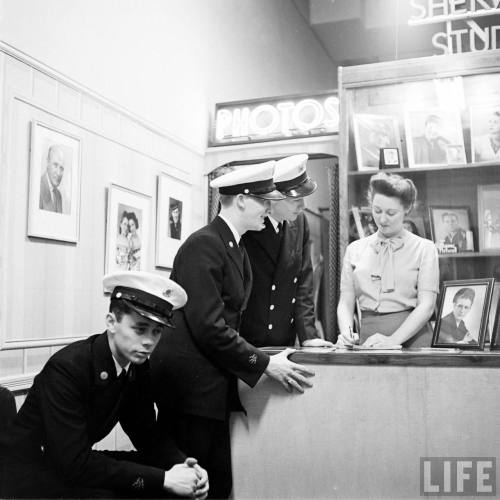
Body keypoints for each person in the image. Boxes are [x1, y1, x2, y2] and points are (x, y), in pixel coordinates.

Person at [150, 161, 315, 499]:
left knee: (219, 486)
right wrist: (266, 363)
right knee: (194, 487)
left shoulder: (234, 245)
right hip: (189, 393)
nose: (269, 208)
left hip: (210, 389)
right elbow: (209, 326)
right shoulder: (204, 245)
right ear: (241, 199)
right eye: (262, 201)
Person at [0, 271, 209, 499]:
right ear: (111, 322)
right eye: (139, 329)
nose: (149, 341)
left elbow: (147, 434)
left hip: (70, 464)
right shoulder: (67, 368)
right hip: (28, 475)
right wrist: (164, 480)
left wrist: (183, 466)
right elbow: (72, 463)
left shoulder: (136, 365)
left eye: (156, 331)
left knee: (164, 479)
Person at [240, 154, 333, 348]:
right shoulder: (249, 226)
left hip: (283, 339)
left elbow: (303, 282)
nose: (303, 206)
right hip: (247, 339)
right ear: (273, 199)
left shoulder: (299, 222)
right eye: (295, 200)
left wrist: (308, 336)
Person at [337, 172, 439, 348]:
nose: (382, 219)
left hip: (412, 339)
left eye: (391, 213)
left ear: (407, 209)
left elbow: (427, 306)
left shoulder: (424, 248)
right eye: (377, 211)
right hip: (368, 339)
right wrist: (346, 332)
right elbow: (346, 302)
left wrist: (393, 340)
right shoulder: (354, 250)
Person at [39, 144, 66, 213]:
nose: (58, 173)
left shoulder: (58, 195)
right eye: (55, 165)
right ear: (47, 162)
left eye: (61, 168)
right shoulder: (38, 187)